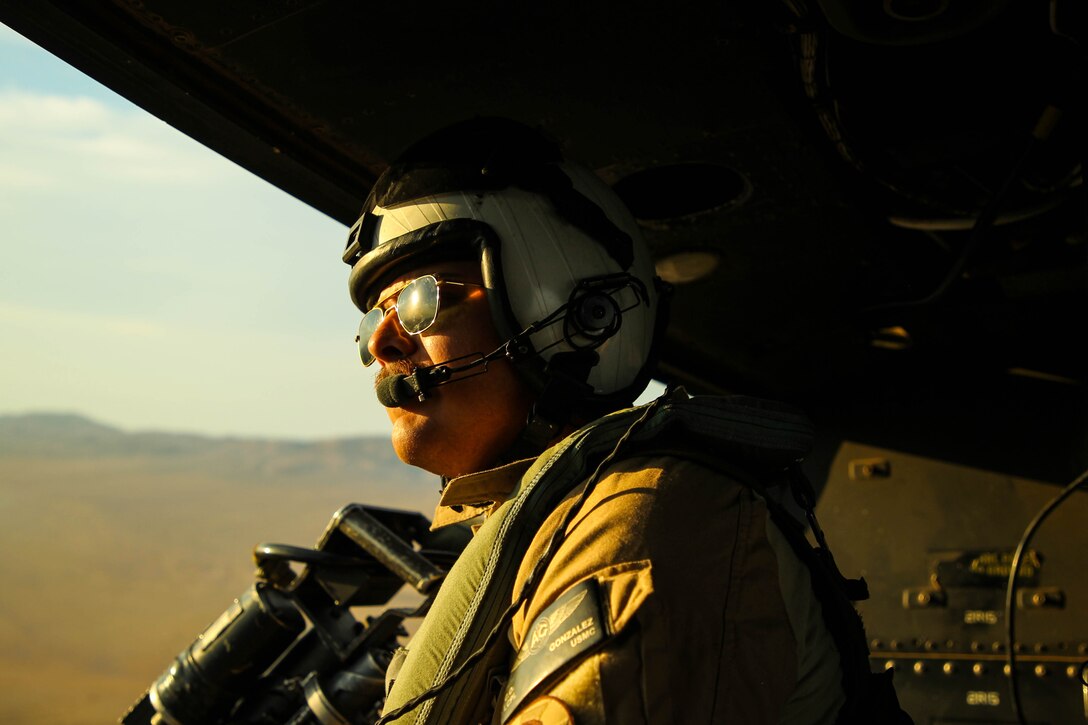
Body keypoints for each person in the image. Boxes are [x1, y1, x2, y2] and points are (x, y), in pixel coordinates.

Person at [341, 117, 909, 725]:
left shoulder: (644, 517)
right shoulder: (542, 527)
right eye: (373, 317)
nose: (380, 342)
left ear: (577, 314)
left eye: (421, 300)